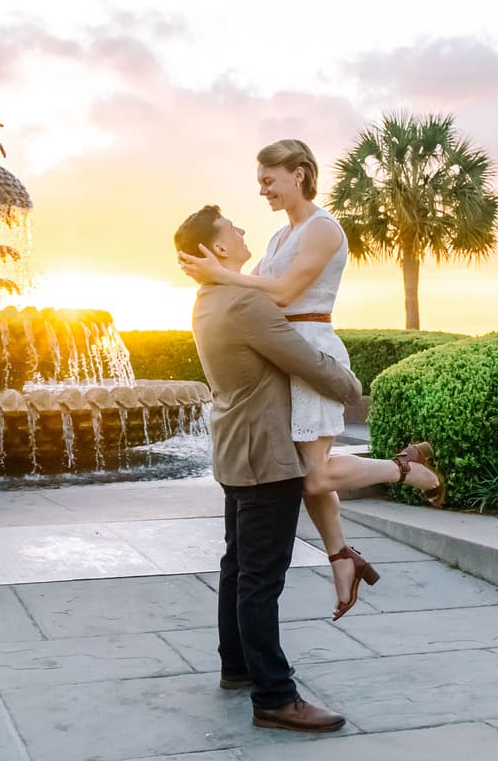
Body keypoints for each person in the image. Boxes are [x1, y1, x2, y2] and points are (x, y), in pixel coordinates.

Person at [179, 139, 445, 621]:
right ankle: (342, 557)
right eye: (259, 181)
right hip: (283, 352)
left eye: (268, 180)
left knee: (313, 475)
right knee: (308, 474)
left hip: (312, 349)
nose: (262, 190)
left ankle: (405, 469)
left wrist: (222, 272)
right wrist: (217, 276)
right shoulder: (282, 237)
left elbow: (282, 291)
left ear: (298, 174)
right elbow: (254, 293)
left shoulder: (322, 228)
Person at [175, 204, 360, 733]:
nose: (241, 230)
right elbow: (304, 361)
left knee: (238, 569)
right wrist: (351, 386)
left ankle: (236, 667)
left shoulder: (210, 298)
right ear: (216, 250)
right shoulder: (242, 303)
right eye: (231, 229)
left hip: (237, 451)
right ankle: (275, 697)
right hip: (266, 457)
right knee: (261, 579)